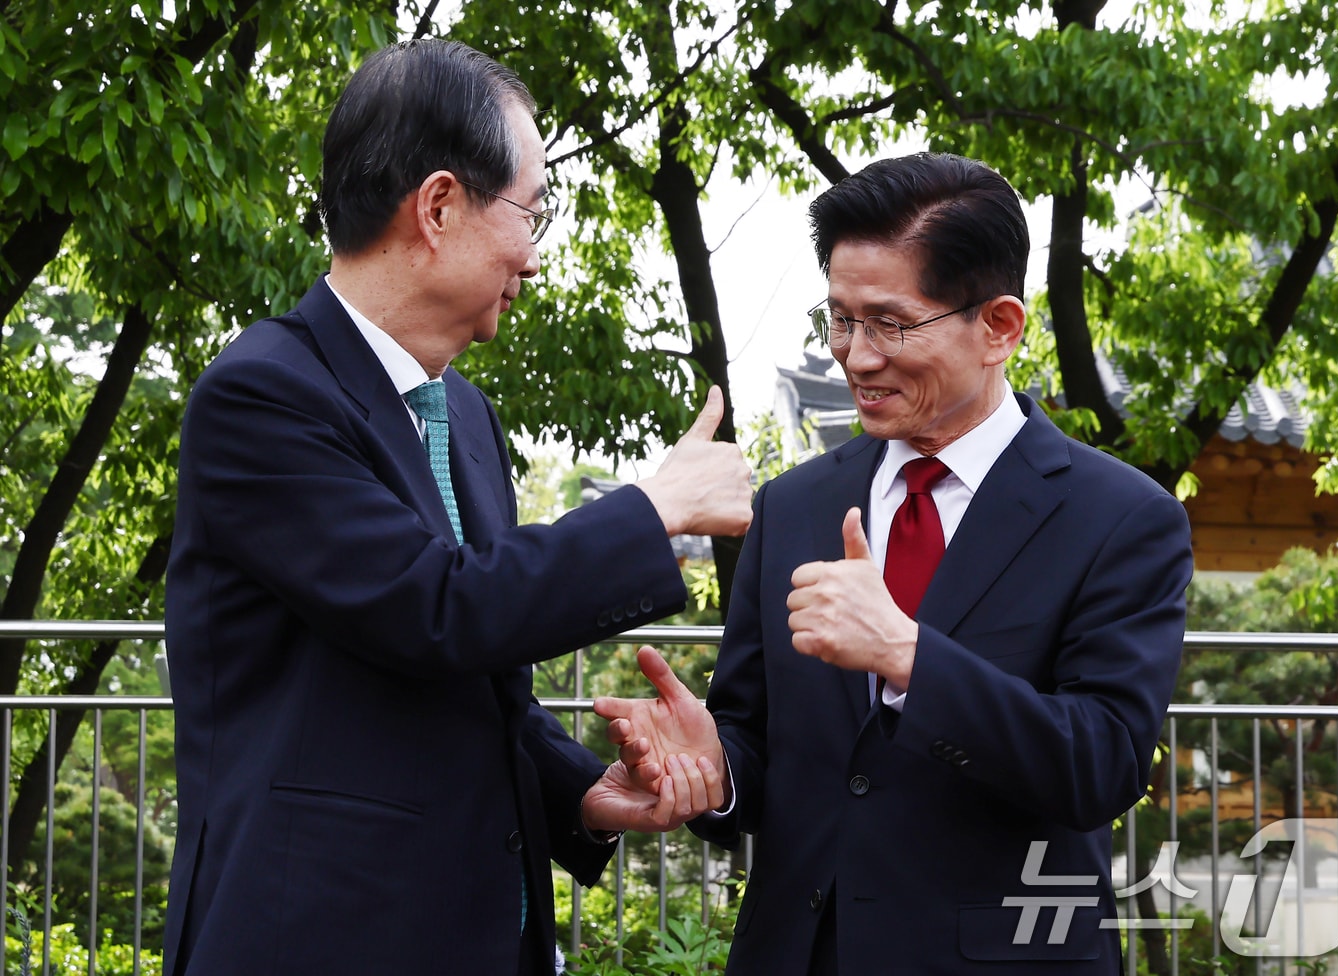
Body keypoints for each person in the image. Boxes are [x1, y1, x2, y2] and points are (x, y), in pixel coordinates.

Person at [161, 39, 746, 976]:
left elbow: (481, 683)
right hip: (316, 938)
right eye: (532, 213)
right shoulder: (261, 397)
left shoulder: (465, 413)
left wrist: (585, 793)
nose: (536, 256)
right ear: (437, 205)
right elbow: (435, 608)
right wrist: (654, 508)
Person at [596, 152, 1194, 974]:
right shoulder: (794, 506)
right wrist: (714, 765)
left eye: (890, 323)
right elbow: (762, 747)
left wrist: (908, 657)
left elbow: (1101, 764)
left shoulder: (1121, 518)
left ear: (999, 327)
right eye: (840, 318)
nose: (856, 355)